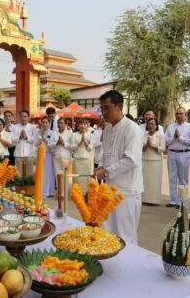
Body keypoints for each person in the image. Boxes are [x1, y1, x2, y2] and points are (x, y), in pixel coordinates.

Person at [94, 90, 144, 245]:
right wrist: (100, 167)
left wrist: (106, 171)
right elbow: (105, 154)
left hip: (127, 192)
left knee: (125, 236)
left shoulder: (132, 129)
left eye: (107, 108)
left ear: (119, 106)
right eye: (101, 108)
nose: (103, 112)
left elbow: (131, 160)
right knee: (108, 233)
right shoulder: (108, 129)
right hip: (109, 189)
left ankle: (128, 268)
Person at [164, 107, 190, 208]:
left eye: (181, 114)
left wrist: (180, 138)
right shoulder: (170, 127)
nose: (178, 115)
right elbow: (166, 141)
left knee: (183, 178)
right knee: (172, 177)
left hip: (184, 154)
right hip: (172, 153)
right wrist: (174, 138)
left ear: (185, 115)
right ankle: (173, 200)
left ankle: (182, 202)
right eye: (177, 114)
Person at [142, 118, 165, 205]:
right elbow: (140, 149)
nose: (150, 126)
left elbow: (163, 149)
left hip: (156, 161)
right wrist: (146, 145)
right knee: (145, 181)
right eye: (149, 124)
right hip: (144, 160)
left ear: (156, 126)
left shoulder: (160, 136)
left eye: (152, 124)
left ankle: (154, 200)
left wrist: (153, 146)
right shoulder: (144, 135)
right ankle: (144, 199)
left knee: (154, 181)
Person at [11, 110, 38, 177]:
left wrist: (26, 137)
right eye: (22, 116)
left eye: (25, 116)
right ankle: (18, 187)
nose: (23, 118)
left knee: (29, 174)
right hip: (18, 153)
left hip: (29, 153)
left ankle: (29, 187)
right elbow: (12, 140)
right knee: (17, 174)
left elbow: (35, 140)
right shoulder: (15, 127)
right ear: (19, 117)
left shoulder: (32, 127)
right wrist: (19, 137)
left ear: (28, 117)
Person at [71, 118, 94, 193]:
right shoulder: (74, 135)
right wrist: (80, 142)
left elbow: (90, 148)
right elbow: (72, 148)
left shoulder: (90, 135)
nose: (82, 126)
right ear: (78, 126)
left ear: (87, 126)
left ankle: (86, 194)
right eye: (81, 124)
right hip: (77, 159)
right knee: (77, 178)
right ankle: (77, 194)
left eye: (84, 124)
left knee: (86, 178)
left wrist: (86, 143)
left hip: (87, 159)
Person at [38, 117, 58, 197]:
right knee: (41, 173)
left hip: (48, 154)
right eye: (43, 122)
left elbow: (52, 145)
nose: (45, 124)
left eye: (46, 122)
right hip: (40, 154)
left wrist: (44, 139)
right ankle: (43, 191)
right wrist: (40, 139)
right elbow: (35, 143)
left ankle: (49, 192)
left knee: (49, 174)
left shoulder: (53, 133)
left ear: (49, 124)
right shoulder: (39, 132)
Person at [54, 118, 73, 193]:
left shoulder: (69, 133)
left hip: (66, 157)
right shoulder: (54, 133)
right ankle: (59, 192)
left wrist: (63, 143)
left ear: (65, 124)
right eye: (58, 123)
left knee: (65, 176)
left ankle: (65, 193)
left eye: (62, 123)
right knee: (57, 175)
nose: (60, 125)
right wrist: (56, 143)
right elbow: (50, 145)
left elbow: (72, 146)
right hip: (56, 157)